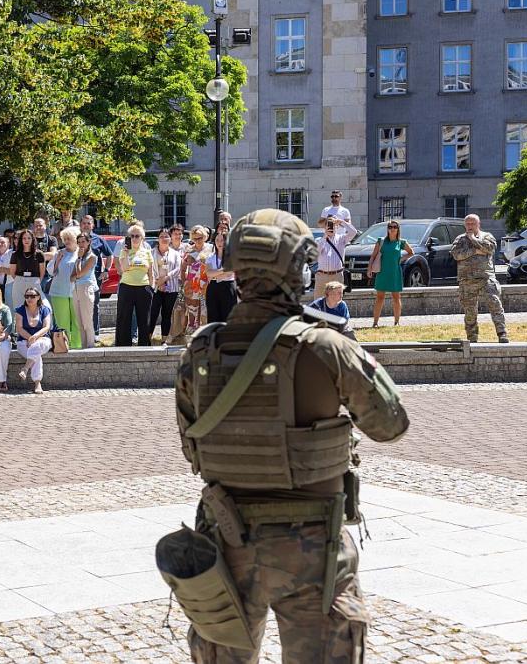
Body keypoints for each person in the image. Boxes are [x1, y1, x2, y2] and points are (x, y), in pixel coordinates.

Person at [172, 208, 409, 664]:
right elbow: (390, 424)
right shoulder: (326, 346)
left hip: (227, 541)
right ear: (296, 270)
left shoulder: (200, 351)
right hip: (313, 548)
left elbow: (191, 449)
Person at [452, 214, 509, 343]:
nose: (470, 226)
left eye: (473, 223)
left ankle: (502, 333)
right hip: (467, 280)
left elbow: (489, 248)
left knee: (495, 305)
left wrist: (473, 239)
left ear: (478, 224)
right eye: (468, 224)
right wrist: (475, 251)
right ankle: (472, 338)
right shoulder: (460, 239)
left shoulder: (487, 236)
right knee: (470, 311)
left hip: (486, 278)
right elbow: (456, 255)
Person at [368, 220, 414, 327]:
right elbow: (373, 256)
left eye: (395, 227)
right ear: (387, 229)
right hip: (382, 272)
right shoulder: (381, 241)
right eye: (390, 227)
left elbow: (411, 252)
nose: (392, 229)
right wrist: (369, 269)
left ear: (398, 229)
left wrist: (401, 259)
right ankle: (375, 322)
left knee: (396, 297)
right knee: (380, 297)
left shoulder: (401, 242)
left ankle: (396, 322)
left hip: (395, 272)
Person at [115, 223, 154, 346]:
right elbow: (124, 268)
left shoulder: (147, 252)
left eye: (137, 236)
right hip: (127, 286)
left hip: (144, 287)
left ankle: (144, 345)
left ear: (142, 238)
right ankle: (123, 345)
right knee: (124, 317)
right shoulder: (124, 251)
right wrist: (126, 254)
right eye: (132, 236)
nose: (134, 238)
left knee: (144, 318)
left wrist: (152, 287)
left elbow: (151, 272)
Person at [48, 226, 82, 348]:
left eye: (69, 239)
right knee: (62, 322)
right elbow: (50, 271)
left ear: (76, 239)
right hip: (59, 292)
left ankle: (77, 346)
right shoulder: (59, 253)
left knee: (78, 321)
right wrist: (57, 260)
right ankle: (64, 345)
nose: (67, 241)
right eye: (65, 239)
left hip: (77, 292)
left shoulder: (82, 252)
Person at [15, 286, 53, 394]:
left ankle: (25, 369)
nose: (29, 298)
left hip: (43, 339)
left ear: (38, 297)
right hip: (24, 341)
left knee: (37, 346)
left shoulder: (45, 310)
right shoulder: (20, 310)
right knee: (36, 354)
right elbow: (19, 329)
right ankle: (37, 383)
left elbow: (46, 327)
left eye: (32, 296)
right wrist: (29, 338)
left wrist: (34, 337)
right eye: (27, 296)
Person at [79, 214, 112, 333]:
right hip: (78, 276)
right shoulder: (76, 238)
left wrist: (106, 270)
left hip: (95, 277)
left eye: (89, 223)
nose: (86, 225)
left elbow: (109, 255)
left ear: (93, 225)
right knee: (78, 305)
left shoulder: (99, 239)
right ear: (80, 224)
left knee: (94, 304)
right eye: (84, 223)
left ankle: (95, 332)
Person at [148, 229, 182, 339]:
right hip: (155, 287)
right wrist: (158, 281)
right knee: (152, 314)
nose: (164, 238)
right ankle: (147, 339)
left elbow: (178, 269)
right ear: (158, 239)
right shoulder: (151, 253)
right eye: (161, 236)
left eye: (166, 236)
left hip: (171, 288)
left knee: (166, 314)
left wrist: (166, 278)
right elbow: (149, 268)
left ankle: (164, 339)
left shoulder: (175, 254)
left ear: (170, 239)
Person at [315, 216, 357, 297]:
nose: (331, 228)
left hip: (337, 275)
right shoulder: (320, 240)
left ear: (337, 227)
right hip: (322, 276)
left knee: (336, 300)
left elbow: (353, 232)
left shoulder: (341, 238)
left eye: (333, 225)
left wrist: (342, 222)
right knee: (319, 301)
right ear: (325, 227)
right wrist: (325, 237)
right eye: (328, 225)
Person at [72, 232, 99, 348]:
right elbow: (72, 276)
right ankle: (83, 346)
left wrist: (79, 258)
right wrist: (78, 258)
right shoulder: (78, 256)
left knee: (87, 320)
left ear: (89, 242)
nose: (81, 244)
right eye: (79, 242)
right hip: (75, 288)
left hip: (86, 287)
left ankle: (90, 345)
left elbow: (80, 273)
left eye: (83, 242)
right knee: (79, 321)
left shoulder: (92, 257)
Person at [204, 228, 237, 323]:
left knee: (227, 316)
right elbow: (208, 273)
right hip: (213, 287)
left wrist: (215, 273)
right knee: (213, 316)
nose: (219, 242)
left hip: (228, 287)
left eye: (222, 240)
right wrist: (223, 270)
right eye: (217, 240)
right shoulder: (210, 257)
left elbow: (231, 271)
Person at [10, 228, 46, 311]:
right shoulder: (15, 254)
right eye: (24, 238)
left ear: (33, 239)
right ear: (21, 240)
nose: (27, 240)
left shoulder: (39, 254)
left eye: (29, 238)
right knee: (19, 309)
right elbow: (12, 272)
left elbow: (42, 272)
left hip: (34, 281)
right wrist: (21, 280)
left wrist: (35, 281)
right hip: (19, 281)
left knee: (36, 308)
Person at [32, 217, 59, 291]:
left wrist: (34, 256)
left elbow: (53, 255)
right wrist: (45, 256)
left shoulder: (52, 239)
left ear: (45, 226)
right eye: (36, 226)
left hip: (47, 276)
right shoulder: (30, 239)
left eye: (40, 225)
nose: (38, 227)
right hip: (33, 275)